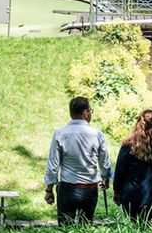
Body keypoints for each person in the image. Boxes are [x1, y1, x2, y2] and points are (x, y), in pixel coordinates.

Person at [43, 96, 112, 224]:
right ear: (85, 113)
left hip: (67, 188)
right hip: (89, 189)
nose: (91, 114)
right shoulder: (97, 134)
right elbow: (105, 162)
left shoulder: (60, 134)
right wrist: (105, 177)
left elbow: (53, 165)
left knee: (65, 230)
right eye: (90, 111)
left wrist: (49, 189)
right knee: (85, 228)